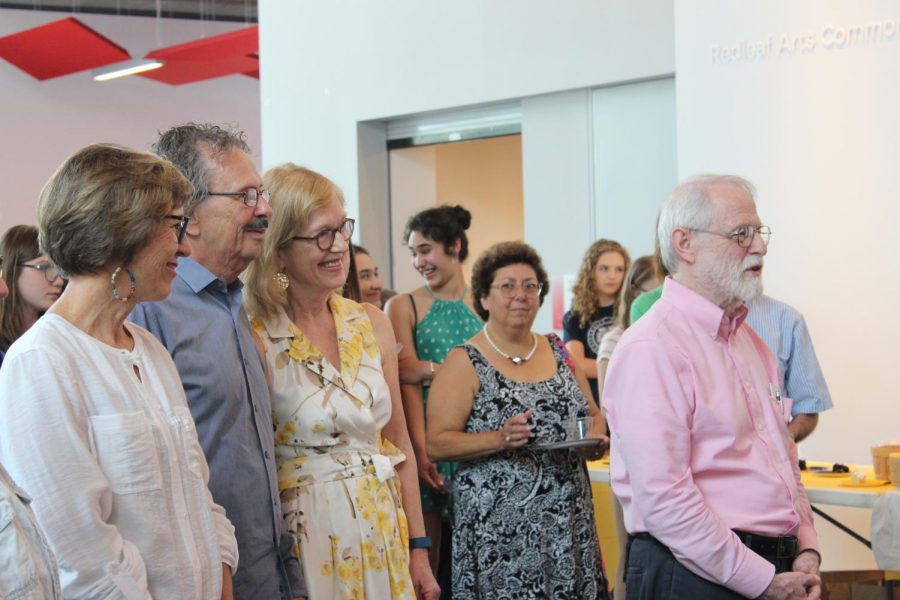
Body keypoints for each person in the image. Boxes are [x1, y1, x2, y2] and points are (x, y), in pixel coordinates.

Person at [0, 143, 238, 598]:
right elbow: (80, 554)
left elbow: (199, 498)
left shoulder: (149, 351)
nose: (185, 247)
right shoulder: (42, 361)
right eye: (175, 226)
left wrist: (222, 583)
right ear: (122, 229)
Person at [603, 174, 821, 600]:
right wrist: (760, 579)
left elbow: (782, 457)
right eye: (742, 233)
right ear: (685, 244)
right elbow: (666, 500)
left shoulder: (748, 341)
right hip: (694, 575)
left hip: (766, 568)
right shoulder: (652, 346)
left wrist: (805, 545)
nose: (760, 246)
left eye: (759, 232)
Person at [243, 163, 440, 599]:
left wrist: (419, 549)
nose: (338, 247)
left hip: (384, 527)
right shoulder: (254, 334)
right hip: (309, 542)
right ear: (278, 250)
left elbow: (399, 444)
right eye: (320, 235)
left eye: (342, 229)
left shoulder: (371, 322)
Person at [130, 124, 305, 600]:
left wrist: (290, 574)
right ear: (190, 214)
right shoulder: (148, 313)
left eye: (262, 194)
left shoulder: (236, 303)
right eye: (246, 196)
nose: (265, 209)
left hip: (268, 575)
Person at [427, 241, 611, 599]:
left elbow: (592, 415)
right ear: (483, 297)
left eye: (530, 286)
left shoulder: (557, 349)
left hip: (566, 522)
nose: (521, 295)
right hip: (499, 533)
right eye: (507, 285)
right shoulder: (465, 360)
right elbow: (436, 443)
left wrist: (592, 441)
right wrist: (498, 438)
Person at [385, 205, 482, 576]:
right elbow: (403, 375)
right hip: (425, 442)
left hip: (477, 442)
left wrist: (431, 374)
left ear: (454, 245)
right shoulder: (403, 304)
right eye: (413, 253)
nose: (417, 261)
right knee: (429, 562)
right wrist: (422, 450)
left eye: (424, 250)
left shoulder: (484, 303)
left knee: (474, 560)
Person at [594, 254, 661, 600]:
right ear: (636, 293)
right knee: (627, 558)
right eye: (657, 291)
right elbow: (612, 409)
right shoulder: (616, 339)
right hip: (631, 464)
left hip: (658, 466)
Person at [745, 296, 833, 443]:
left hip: (773, 463)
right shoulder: (693, 324)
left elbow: (807, 407)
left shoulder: (788, 320)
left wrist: (783, 443)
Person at [563, 239, 631, 404]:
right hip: (592, 405)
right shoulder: (574, 316)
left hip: (628, 399)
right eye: (604, 269)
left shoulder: (631, 311)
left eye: (619, 269)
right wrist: (623, 368)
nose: (612, 276)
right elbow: (577, 364)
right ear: (591, 271)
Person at [0, 225, 65, 359]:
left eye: (59, 270)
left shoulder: (59, 335)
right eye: (44, 267)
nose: (59, 281)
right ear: (12, 269)